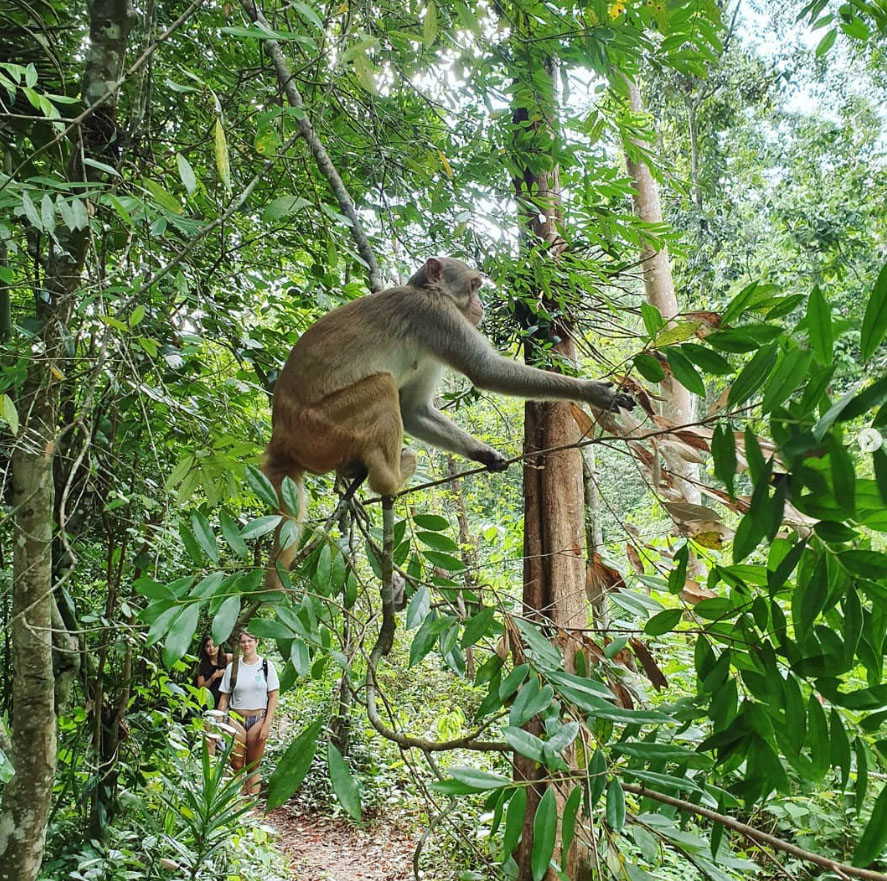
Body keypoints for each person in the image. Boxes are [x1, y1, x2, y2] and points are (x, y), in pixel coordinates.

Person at [217, 631, 279, 795]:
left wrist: (267, 725)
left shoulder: (266, 666)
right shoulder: (233, 667)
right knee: (236, 765)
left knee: (253, 765)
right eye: (243, 642)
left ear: (256, 642)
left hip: (258, 719)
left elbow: (273, 696)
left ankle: (252, 808)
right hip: (236, 718)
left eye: (250, 641)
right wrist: (218, 721)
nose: (246, 645)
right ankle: (236, 809)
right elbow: (225, 697)